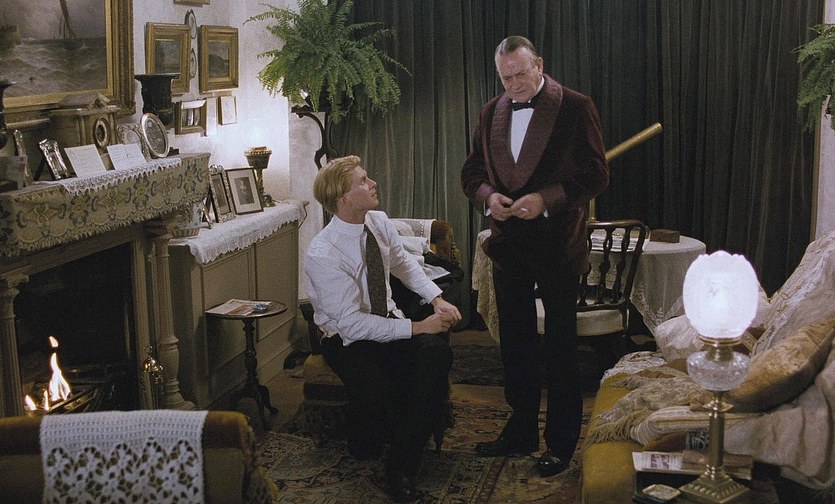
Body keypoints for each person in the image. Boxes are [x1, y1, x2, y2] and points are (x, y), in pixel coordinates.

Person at [461, 36, 609, 477]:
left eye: (520, 74)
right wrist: (488, 197)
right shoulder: (491, 111)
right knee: (516, 347)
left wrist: (546, 200)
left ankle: (561, 443)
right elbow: (473, 171)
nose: (513, 85)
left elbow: (597, 173)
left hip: (558, 246)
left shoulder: (576, 107)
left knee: (560, 349)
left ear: (539, 64)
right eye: (505, 77)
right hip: (509, 247)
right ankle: (521, 429)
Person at [305, 155, 462, 501]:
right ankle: (365, 431)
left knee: (436, 355)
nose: (373, 183)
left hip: (389, 320)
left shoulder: (377, 221)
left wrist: (437, 299)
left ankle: (401, 465)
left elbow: (403, 265)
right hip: (346, 340)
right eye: (363, 181)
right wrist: (419, 327)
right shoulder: (324, 253)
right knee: (378, 394)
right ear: (344, 199)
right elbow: (352, 324)